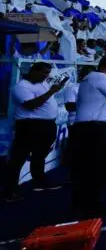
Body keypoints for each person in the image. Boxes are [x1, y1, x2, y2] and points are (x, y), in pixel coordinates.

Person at [1, 63, 66, 202]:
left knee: (40, 155)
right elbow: (31, 105)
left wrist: (53, 90)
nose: (45, 76)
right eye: (43, 72)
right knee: (19, 158)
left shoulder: (43, 84)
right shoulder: (21, 86)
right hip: (29, 125)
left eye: (47, 73)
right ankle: (9, 190)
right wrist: (51, 92)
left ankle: (39, 181)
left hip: (47, 125)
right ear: (33, 71)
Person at [70, 54, 106, 216]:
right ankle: (91, 204)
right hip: (93, 129)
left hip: (87, 128)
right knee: (101, 166)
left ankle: (82, 202)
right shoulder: (102, 78)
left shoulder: (91, 77)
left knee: (89, 166)